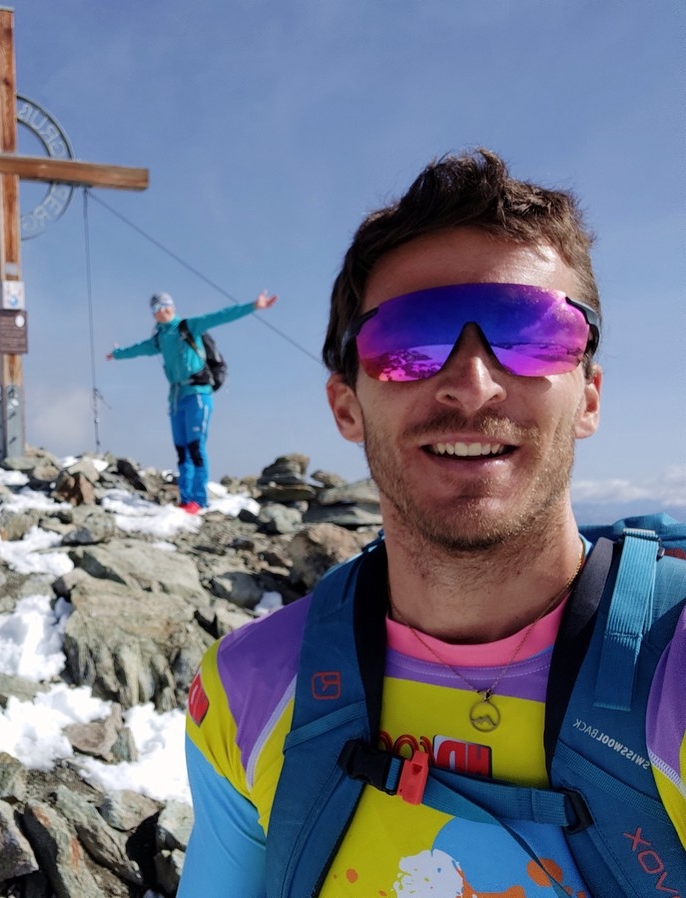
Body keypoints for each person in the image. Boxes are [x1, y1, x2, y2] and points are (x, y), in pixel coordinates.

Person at [179, 149, 686, 895]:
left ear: (589, 395)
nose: (473, 386)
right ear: (346, 406)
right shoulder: (248, 691)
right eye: (409, 342)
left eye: (532, 332)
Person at [107, 289, 277, 513]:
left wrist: (254, 305)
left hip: (198, 393)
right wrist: (117, 354)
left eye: (166, 305)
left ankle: (199, 499)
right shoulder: (159, 339)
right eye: (157, 308)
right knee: (182, 450)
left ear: (173, 306)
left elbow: (221, 316)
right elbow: (139, 349)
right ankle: (185, 499)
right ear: (153, 313)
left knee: (196, 447)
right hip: (176, 398)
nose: (162, 311)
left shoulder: (188, 326)